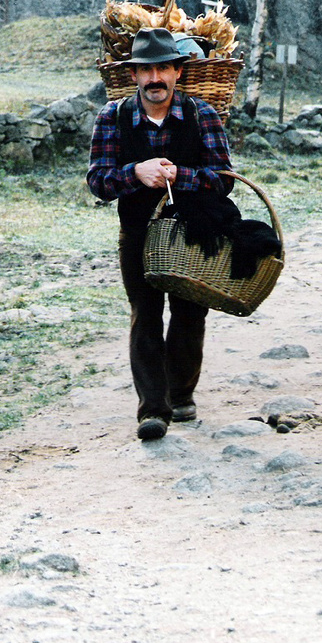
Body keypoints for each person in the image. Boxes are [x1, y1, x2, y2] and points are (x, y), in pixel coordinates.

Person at [87, 27, 233, 441]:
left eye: (164, 68)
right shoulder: (112, 117)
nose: (155, 78)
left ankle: (181, 395)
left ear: (177, 73)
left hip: (194, 229)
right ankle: (153, 410)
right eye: (146, 70)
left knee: (190, 311)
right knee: (145, 314)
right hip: (138, 233)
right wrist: (136, 173)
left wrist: (179, 175)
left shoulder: (202, 114)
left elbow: (224, 179)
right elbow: (97, 181)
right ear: (133, 75)